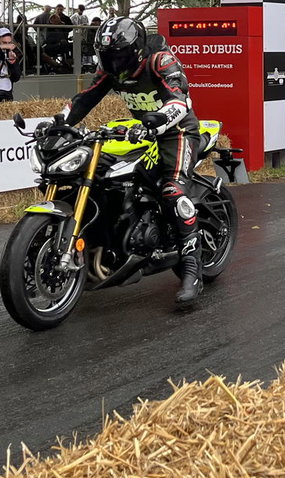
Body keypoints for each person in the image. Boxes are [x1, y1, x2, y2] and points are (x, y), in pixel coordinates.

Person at [60, 17, 205, 310]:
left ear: (137, 50)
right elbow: (85, 99)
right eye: (108, 57)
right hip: (139, 130)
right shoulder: (109, 69)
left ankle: (192, 270)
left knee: (172, 191)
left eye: (121, 56)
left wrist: (158, 121)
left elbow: (179, 99)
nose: (115, 63)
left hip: (176, 130)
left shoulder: (160, 61)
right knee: (102, 176)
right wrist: (58, 124)